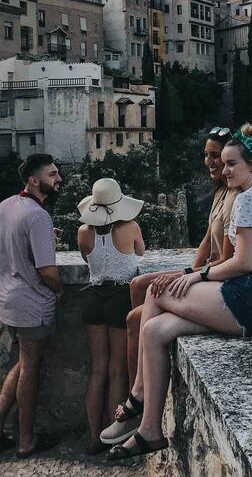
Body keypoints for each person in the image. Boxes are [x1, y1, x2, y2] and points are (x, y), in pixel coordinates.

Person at [108, 124, 252, 461]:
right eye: (225, 162)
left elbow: (243, 263)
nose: (225, 169)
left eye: (232, 163)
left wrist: (197, 275)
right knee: (155, 330)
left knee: (158, 290)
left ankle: (138, 393)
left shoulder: (248, 199)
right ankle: (150, 431)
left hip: (247, 294)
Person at [100, 127, 238, 446]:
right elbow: (206, 241)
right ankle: (138, 396)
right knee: (138, 283)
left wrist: (189, 273)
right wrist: (185, 268)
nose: (210, 161)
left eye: (216, 156)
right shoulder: (220, 192)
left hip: (214, 277)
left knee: (136, 319)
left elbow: (229, 260)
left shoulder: (236, 196)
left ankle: (138, 401)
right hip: (202, 270)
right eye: (207, 155)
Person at [0, 153, 63, 459]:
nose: (58, 179)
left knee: (22, 363)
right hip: (31, 303)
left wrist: (41, 238)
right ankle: (26, 440)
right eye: (52, 175)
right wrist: (60, 291)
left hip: (7, 300)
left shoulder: (6, 206)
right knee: (31, 368)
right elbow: (47, 270)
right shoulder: (39, 216)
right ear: (34, 180)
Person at [76, 178, 146, 455]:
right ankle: (112, 437)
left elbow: (86, 258)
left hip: (93, 298)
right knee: (118, 369)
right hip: (120, 298)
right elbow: (140, 252)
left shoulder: (84, 232)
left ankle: (93, 437)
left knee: (97, 370)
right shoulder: (130, 227)